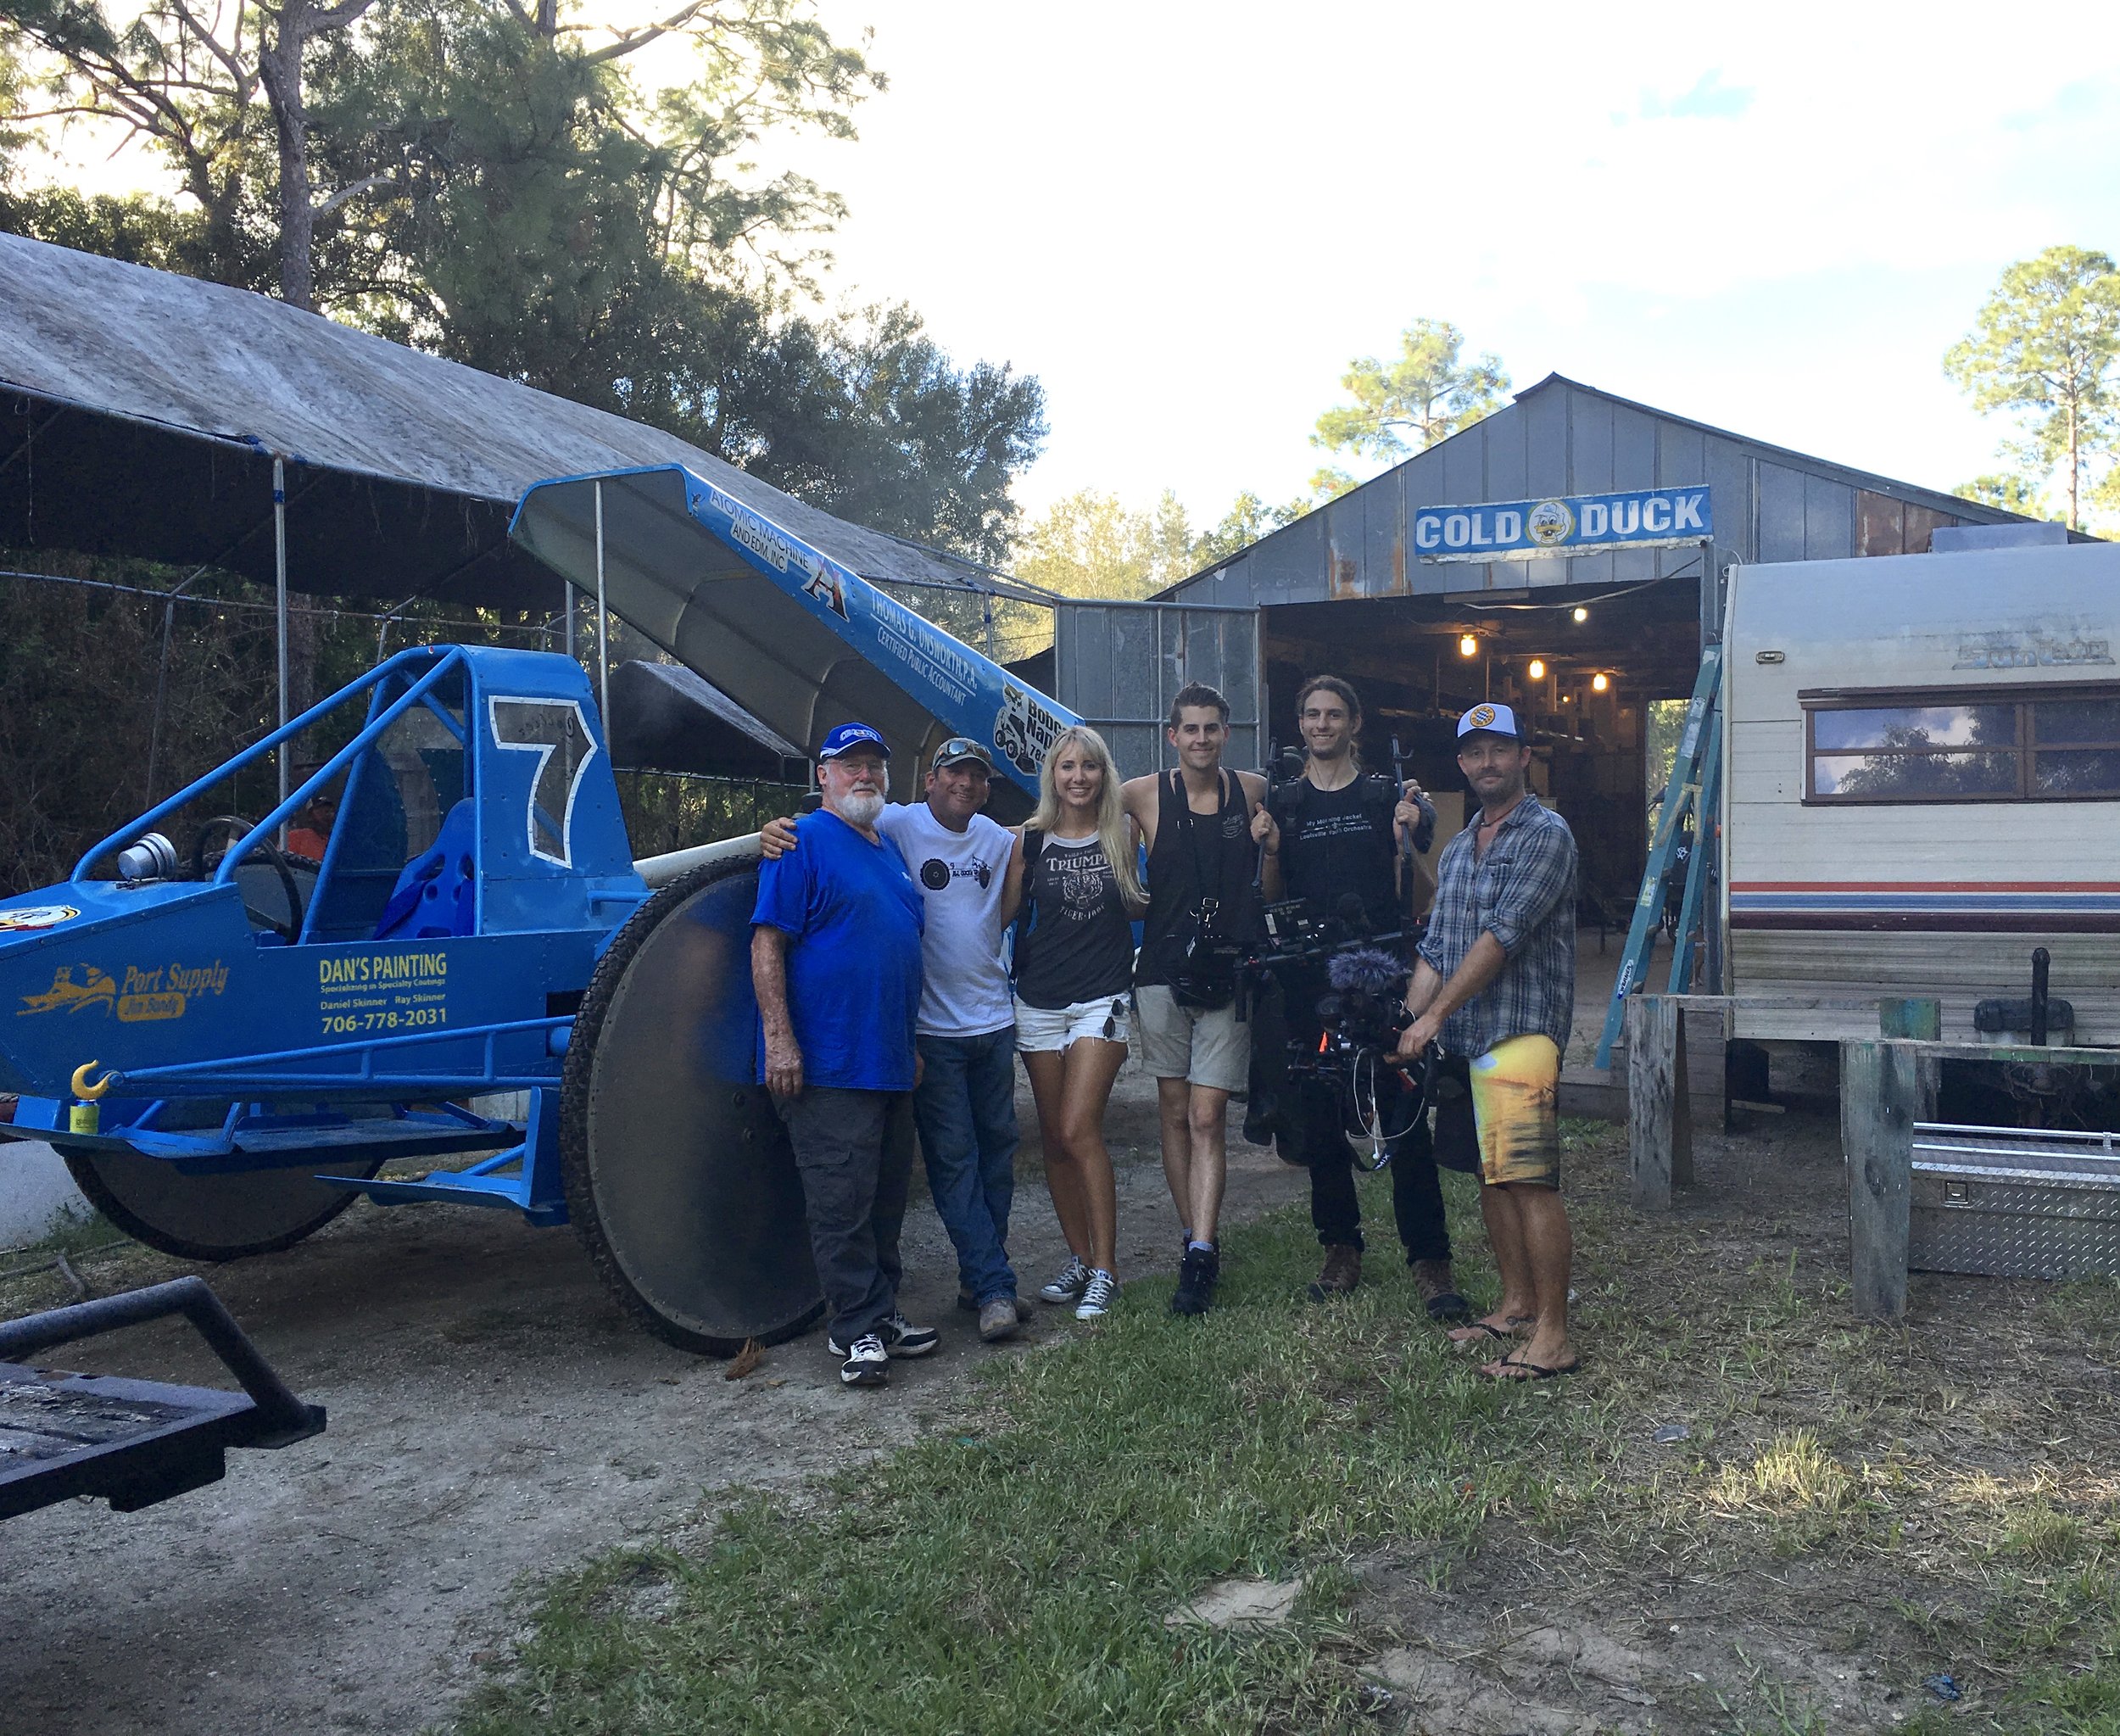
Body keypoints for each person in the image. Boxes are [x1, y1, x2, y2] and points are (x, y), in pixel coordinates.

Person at [759, 737, 1030, 1345]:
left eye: (975, 777)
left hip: (951, 1034)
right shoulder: (855, 828)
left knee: (959, 1169)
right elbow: (773, 927)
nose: (963, 784)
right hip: (892, 1042)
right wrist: (773, 829)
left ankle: (935, 1293)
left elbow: (1023, 862)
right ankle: (975, 1292)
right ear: (927, 781)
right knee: (912, 1173)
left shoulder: (950, 839)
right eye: (951, 774)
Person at [1252, 675, 1467, 1319]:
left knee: (1404, 1119)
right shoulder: (1284, 803)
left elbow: (1424, 889)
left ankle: (1431, 1261)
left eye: (1334, 715)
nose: (1323, 725)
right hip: (1308, 982)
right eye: (1313, 714)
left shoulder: (1386, 796)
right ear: (1301, 724)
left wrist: (1409, 831)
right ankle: (1340, 1248)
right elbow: (1269, 897)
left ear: (1354, 723)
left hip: (1381, 978)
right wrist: (1267, 848)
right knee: (1320, 1122)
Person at [1393, 703, 1581, 1381]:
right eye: (1474, 754)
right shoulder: (1458, 845)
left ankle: (1553, 1337)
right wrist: (1403, 1023)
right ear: (1463, 764)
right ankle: (1516, 1304)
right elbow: (1438, 946)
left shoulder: (1545, 834)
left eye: (1500, 749)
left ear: (1524, 755)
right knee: (1491, 1176)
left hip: (1521, 1031)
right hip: (1473, 1038)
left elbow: (1502, 935)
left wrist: (1433, 1017)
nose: (1487, 763)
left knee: (1528, 1180)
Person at [751, 722, 940, 1387]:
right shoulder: (800, 840)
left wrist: (908, 1044)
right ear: (823, 776)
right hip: (828, 1062)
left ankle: (880, 1314)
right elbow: (768, 942)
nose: (865, 775)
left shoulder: (885, 848)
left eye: (875, 765)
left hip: (887, 1059)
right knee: (841, 1200)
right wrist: (780, 1038)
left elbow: (893, 953)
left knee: (885, 1199)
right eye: (850, 764)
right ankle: (854, 1331)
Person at [1122, 682, 1266, 1317]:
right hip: (1162, 972)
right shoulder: (1144, 793)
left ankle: (1204, 1249)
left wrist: (1413, 804)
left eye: (1213, 728)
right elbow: (1065, 804)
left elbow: (1324, 794)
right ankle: (1193, 1236)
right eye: (1191, 729)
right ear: (1172, 735)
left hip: (1228, 973)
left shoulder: (1253, 790)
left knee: (1209, 1116)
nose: (1202, 739)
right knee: (1175, 1110)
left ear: (1226, 734)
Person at [1013, 726, 1144, 1323]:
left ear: (1103, 773)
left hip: (1102, 998)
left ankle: (1108, 1269)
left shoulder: (1124, 830)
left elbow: (1151, 897)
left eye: (1089, 766)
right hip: (1038, 999)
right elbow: (1001, 914)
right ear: (1053, 774)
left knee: (1077, 1127)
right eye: (1068, 767)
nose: (1078, 777)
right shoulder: (1030, 840)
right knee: (1051, 1137)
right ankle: (1080, 1256)